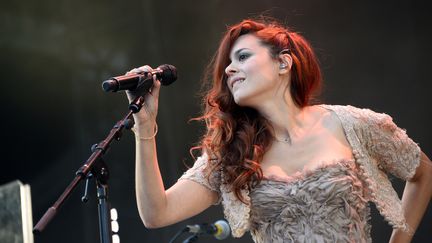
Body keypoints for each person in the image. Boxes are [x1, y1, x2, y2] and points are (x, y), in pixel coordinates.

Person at [125, 18, 432, 242]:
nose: (230, 69)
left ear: (284, 64)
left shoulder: (352, 123)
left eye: (242, 57)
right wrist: (145, 124)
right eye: (227, 65)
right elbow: (157, 214)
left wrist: (400, 240)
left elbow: (423, 173)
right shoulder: (231, 152)